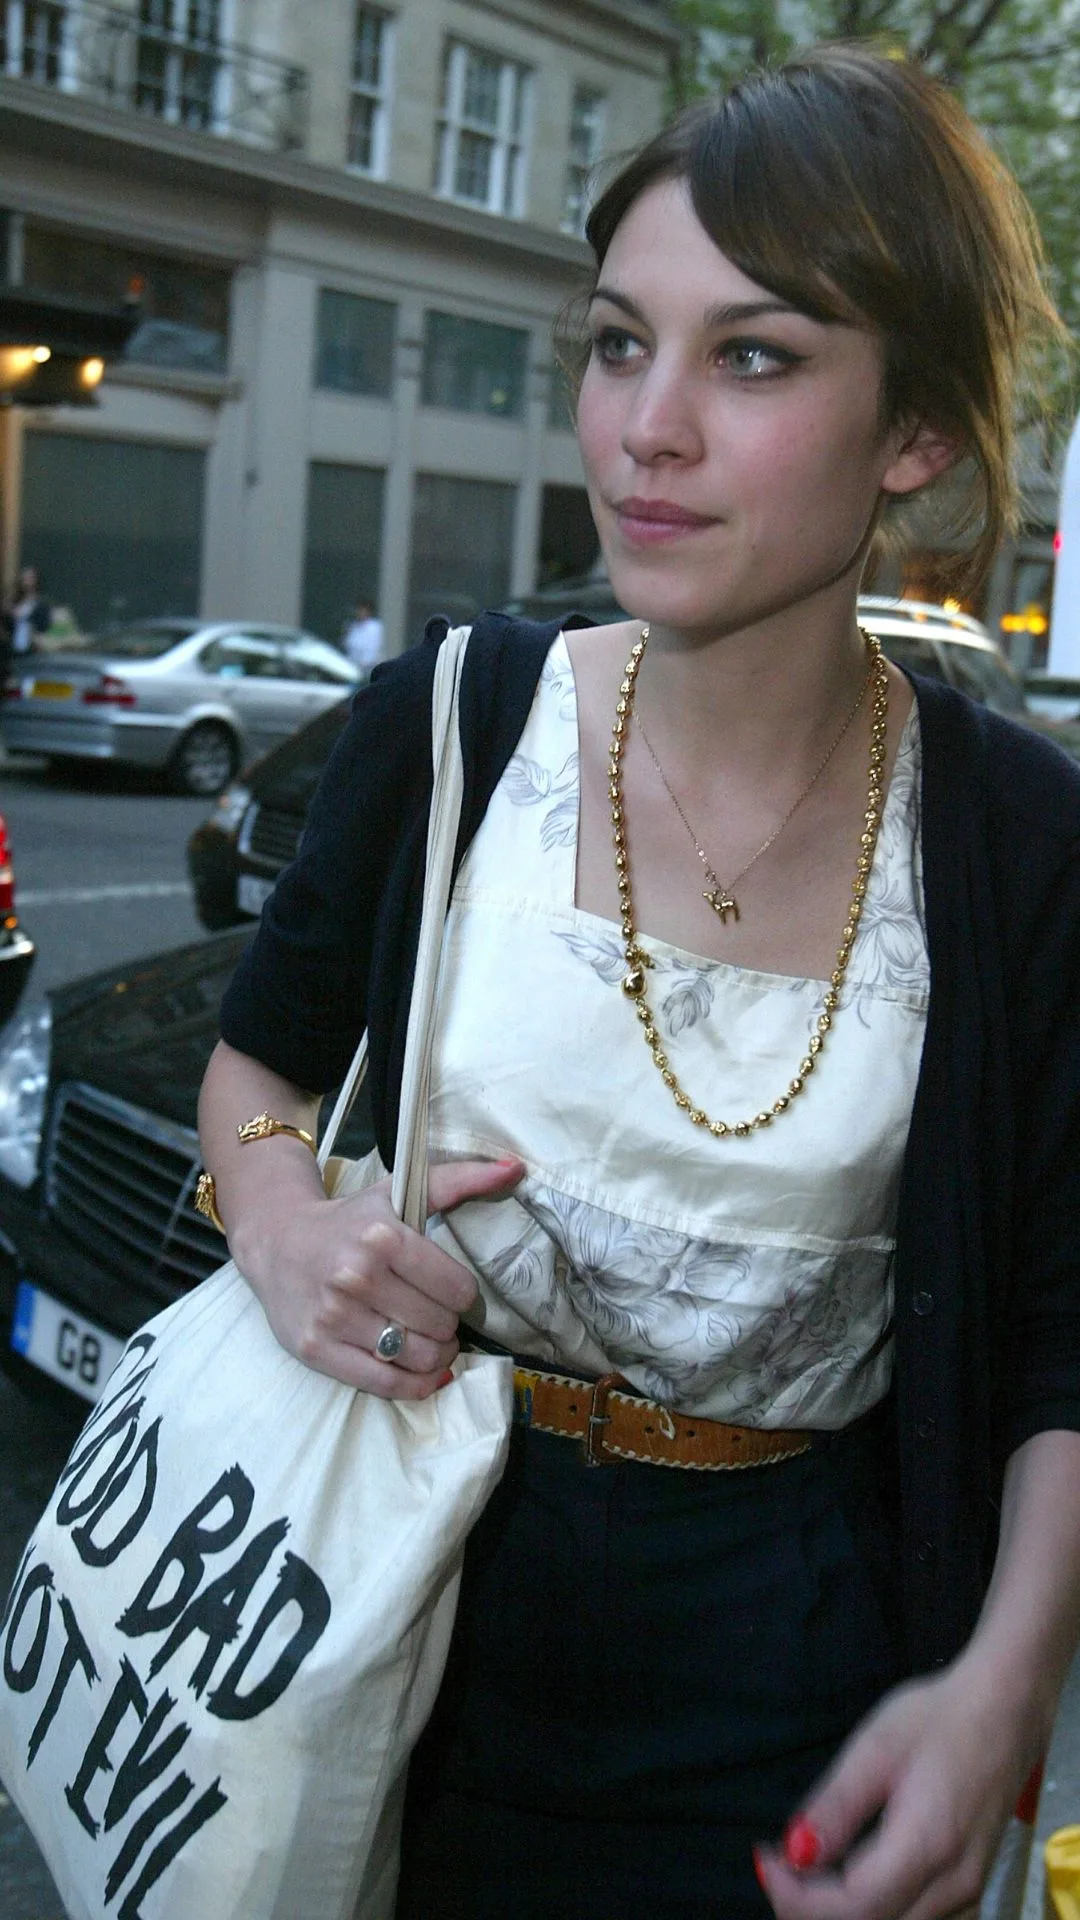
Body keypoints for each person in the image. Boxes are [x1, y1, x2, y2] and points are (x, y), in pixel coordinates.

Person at [197, 44, 1080, 1919]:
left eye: (753, 357)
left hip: (797, 1660)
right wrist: (279, 1218)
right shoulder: (456, 715)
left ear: (914, 433)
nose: (645, 428)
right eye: (619, 343)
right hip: (391, 1589)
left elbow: (1062, 1326)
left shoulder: (1018, 839)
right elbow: (256, 1066)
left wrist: (1002, 1691)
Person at [1, 566, 50, 684]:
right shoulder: (15, 601)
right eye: (24, 578)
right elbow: (7, 625)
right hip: (13, 646)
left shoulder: (40, 603)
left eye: (29, 578)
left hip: (31, 647)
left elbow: (43, 625)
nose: (26, 582)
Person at [341, 596, 384, 673]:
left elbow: (372, 648)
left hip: (366, 668)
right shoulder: (353, 626)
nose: (359, 612)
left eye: (362, 610)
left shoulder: (374, 627)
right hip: (351, 666)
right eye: (358, 610)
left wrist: (363, 665)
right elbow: (347, 644)